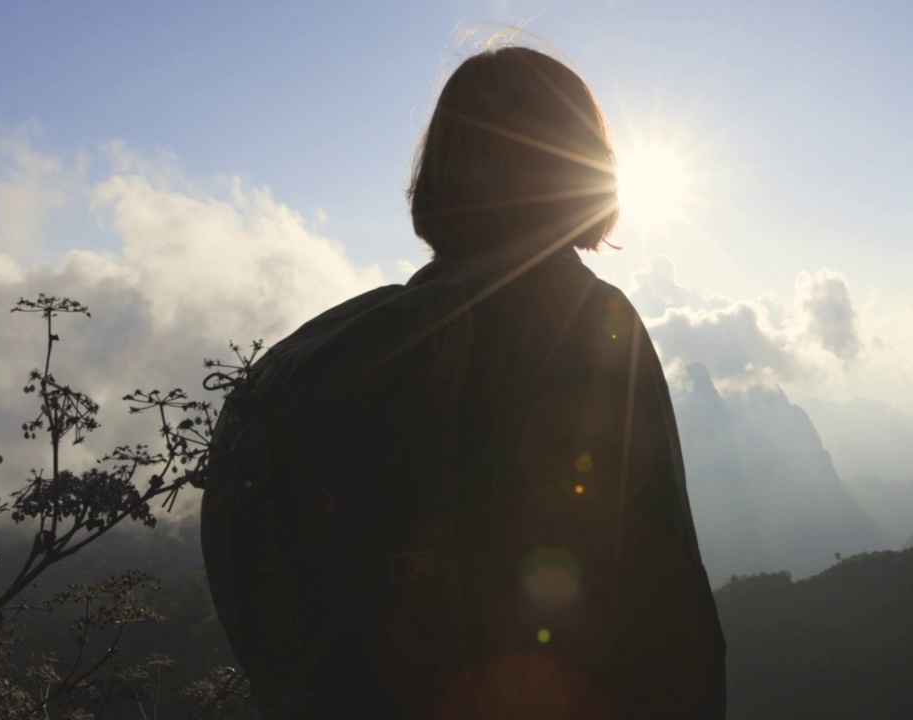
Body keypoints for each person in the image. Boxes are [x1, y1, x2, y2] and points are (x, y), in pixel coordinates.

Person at [202, 43, 725, 719]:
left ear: (440, 174)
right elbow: (666, 602)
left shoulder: (367, 352)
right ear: (584, 164)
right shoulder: (592, 324)